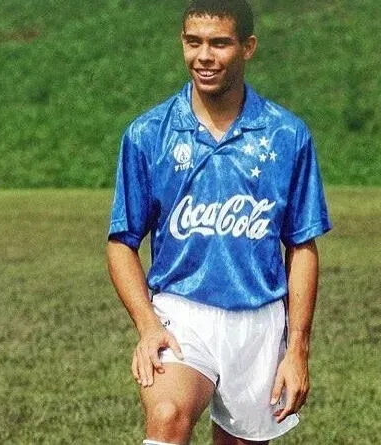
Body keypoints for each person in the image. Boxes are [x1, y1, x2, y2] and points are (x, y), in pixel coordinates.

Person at [106, 0, 331, 443]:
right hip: (181, 314)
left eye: (219, 43)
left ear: (247, 47)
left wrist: (297, 349)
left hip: (260, 323)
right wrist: (148, 325)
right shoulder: (148, 134)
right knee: (168, 413)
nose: (204, 56)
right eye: (194, 42)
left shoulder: (286, 135)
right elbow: (121, 242)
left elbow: (302, 246)